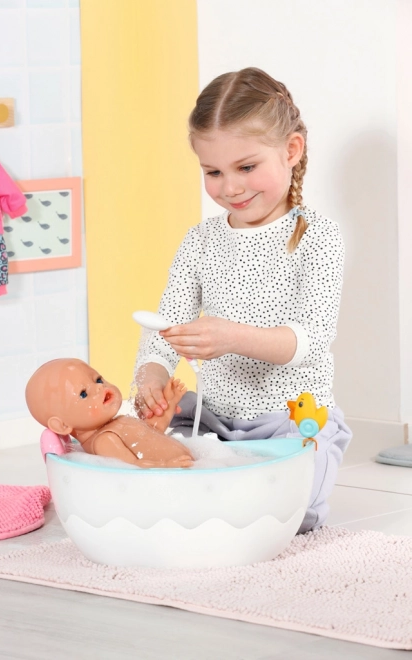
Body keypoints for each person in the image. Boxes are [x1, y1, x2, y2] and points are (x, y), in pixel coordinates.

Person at [134, 67, 352, 532]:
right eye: (213, 172)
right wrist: (152, 376)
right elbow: (164, 326)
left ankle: (265, 497)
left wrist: (231, 336)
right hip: (211, 420)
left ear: (291, 151)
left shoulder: (319, 238)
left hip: (289, 418)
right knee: (150, 457)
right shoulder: (200, 241)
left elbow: (307, 342)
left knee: (286, 510)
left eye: (246, 167)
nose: (229, 188)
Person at [25, 358, 193, 468]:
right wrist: (168, 466)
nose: (100, 387)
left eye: (98, 380)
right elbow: (134, 468)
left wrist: (169, 404)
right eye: (84, 394)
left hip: (187, 469)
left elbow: (153, 432)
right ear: (63, 425)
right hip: (175, 477)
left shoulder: (116, 424)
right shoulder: (104, 441)